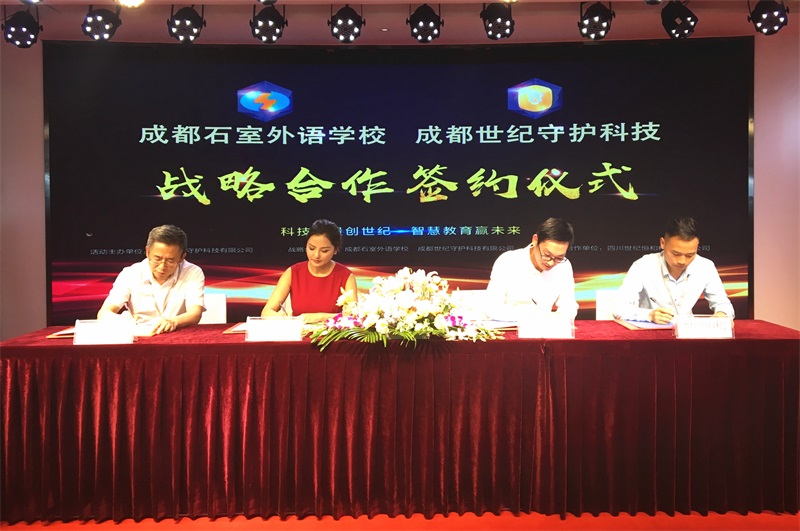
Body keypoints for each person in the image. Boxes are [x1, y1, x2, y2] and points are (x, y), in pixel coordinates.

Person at [612, 216, 734, 324]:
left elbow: (723, 304)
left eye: (690, 255)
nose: (682, 261)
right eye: (676, 254)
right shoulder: (643, 265)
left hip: (687, 334)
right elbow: (618, 308)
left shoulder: (705, 267)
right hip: (651, 332)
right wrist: (649, 315)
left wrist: (722, 315)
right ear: (662, 243)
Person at [97, 224, 205, 334]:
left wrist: (174, 321)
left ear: (182, 258)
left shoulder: (192, 272)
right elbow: (104, 312)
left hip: (177, 333)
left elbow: (195, 313)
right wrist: (123, 322)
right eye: (157, 259)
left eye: (170, 261)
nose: (162, 266)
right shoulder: (130, 274)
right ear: (147, 252)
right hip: (139, 334)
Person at [261, 219, 358, 323]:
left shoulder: (345, 276)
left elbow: (353, 317)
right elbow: (266, 311)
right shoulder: (293, 272)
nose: (316, 255)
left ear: (335, 250)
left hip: (332, 333)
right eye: (311, 248)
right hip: (298, 332)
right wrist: (280, 318)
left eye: (324, 251)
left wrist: (320, 317)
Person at [485, 217, 579, 321]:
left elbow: (568, 306)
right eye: (547, 255)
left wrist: (560, 318)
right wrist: (531, 317)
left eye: (559, 258)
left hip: (544, 328)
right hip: (510, 327)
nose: (551, 262)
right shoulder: (508, 261)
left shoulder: (563, 266)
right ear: (535, 240)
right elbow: (492, 308)